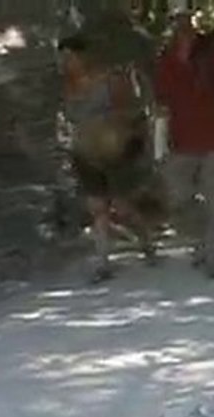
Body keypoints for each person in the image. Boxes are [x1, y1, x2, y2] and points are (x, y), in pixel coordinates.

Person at [59, 34, 159, 282]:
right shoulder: (65, 86)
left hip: (114, 148)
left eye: (69, 56)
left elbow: (132, 110)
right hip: (84, 150)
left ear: (82, 55)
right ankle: (102, 262)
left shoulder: (108, 79)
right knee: (98, 208)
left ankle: (146, 241)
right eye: (62, 57)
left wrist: (121, 127)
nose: (65, 62)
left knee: (122, 207)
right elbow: (66, 119)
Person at [154, 9, 214, 279]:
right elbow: (161, 101)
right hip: (181, 140)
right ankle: (203, 238)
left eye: (185, 20)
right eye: (175, 21)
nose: (181, 26)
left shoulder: (213, 56)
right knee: (177, 198)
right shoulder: (166, 60)